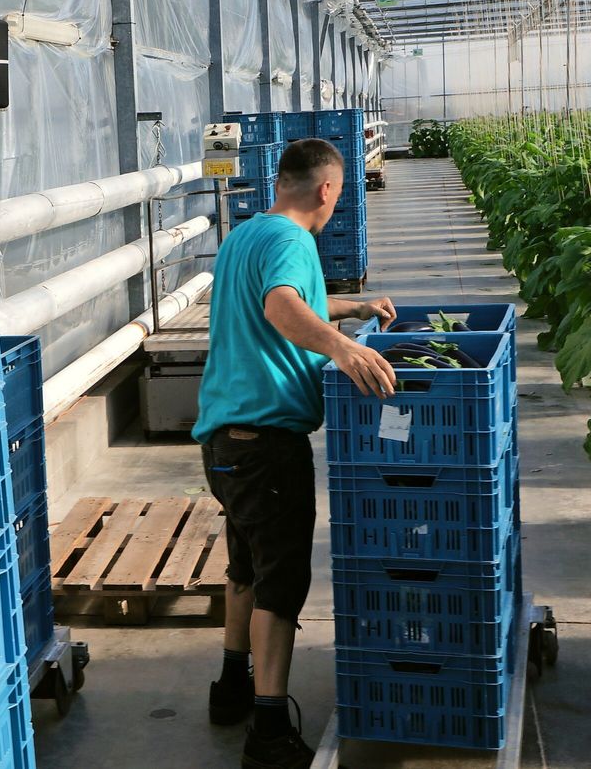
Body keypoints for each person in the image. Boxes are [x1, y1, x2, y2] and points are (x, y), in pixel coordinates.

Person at [192, 138, 398, 769]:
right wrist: (343, 349)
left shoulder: (247, 236)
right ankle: (270, 730)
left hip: (227, 442)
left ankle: (231, 687)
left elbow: (287, 300)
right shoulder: (293, 241)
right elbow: (282, 306)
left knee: (246, 568)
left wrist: (354, 307)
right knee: (282, 585)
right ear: (328, 190)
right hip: (267, 445)